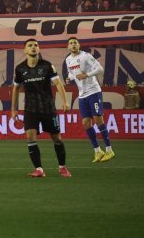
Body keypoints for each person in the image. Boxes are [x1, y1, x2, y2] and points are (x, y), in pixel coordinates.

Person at [12, 38, 71, 177]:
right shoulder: (20, 69)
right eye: (30, 45)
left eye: (36, 45)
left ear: (38, 49)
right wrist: (14, 109)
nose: (33, 47)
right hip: (30, 109)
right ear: (25, 50)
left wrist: (65, 101)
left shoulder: (47, 66)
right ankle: (38, 169)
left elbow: (58, 84)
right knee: (30, 136)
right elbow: (15, 88)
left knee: (56, 138)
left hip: (48, 108)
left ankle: (62, 167)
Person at [64, 37, 115, 162]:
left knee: (98, 120)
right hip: (82, 95)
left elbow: (100, 69)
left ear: (79, 45)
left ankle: (109, 150)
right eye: (71, 43)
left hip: (93, 92)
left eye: (75, 42)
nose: (73, 44)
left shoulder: (86, 56)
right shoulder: (68, 59)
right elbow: (72, 72)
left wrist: (86, 74)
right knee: (86, 123)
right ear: (68, 47)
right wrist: (69, 78)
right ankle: (97, 151)